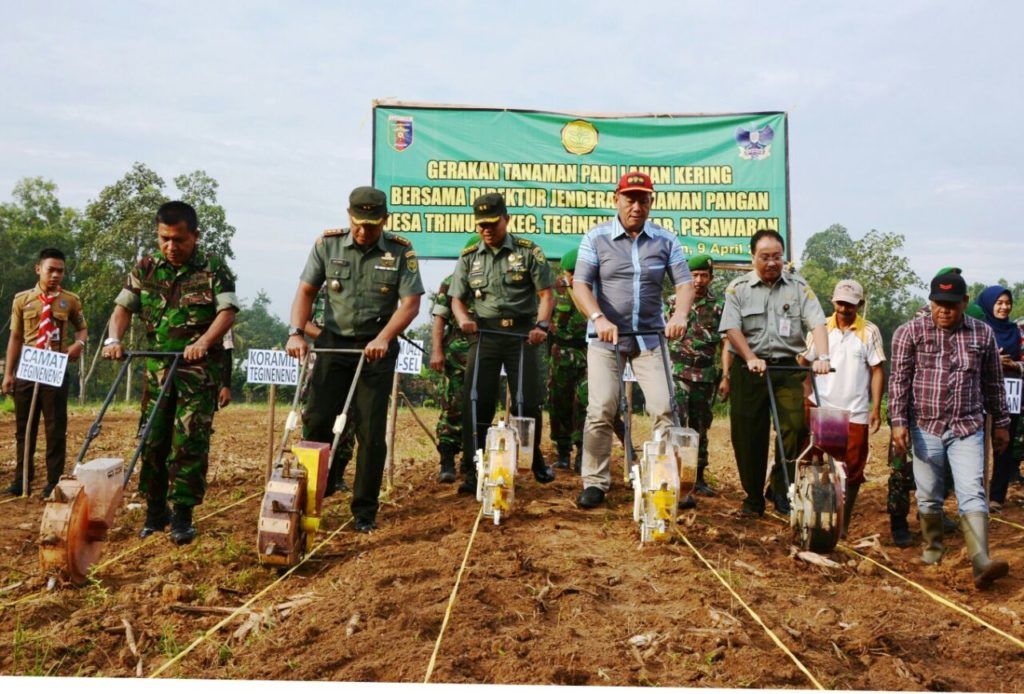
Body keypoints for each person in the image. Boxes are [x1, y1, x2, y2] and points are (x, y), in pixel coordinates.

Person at [286, 186, 423, 533]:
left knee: (371, 432)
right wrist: (295, 332)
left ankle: (364, 510)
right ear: (349, 216)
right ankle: (308, 498)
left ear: (384, 220)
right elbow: (305, 291)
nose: (364, 232)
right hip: (334, 345)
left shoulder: (400, 251)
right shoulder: (327, 245)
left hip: (376, 347)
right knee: (316, 422)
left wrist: (384, 337)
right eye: (359, 224)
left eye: (372, 226)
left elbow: (410, 304)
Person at [103, 202, 238, 544]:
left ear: (195, 235)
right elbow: (123, 308)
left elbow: (227, 313)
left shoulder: (213, 269)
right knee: (153, 440)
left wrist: (204, 342)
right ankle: (154, 512)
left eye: (179, 239)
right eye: (164, 239)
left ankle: (182, 516)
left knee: (189, 442)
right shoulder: (145, 268)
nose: (171, 247)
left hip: (197, 372)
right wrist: (114, 339)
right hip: (157, 372)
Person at [571, 171, 694, 508]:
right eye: (630, 199)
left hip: (650, 339)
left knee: (664, 407)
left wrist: (680, 315)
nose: (636, 206)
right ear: (616, 200)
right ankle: (595, 482)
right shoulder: (595, 238)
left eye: (643, 200)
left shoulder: (666, 241)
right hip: (605, 338)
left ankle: (665, 479)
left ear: (651, 202)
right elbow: (580, 284)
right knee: (602, 407)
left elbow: (684, 284)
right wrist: (599, 318)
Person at [889, 270, 1010, 588]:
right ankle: (933, 549)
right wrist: (898, 423)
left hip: (967, 426)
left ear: (965, 303)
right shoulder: (909, 333)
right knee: (929, 496)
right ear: (930, 302)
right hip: (925, 426)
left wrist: (1001, 423)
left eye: (952, 305)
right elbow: (899, 381)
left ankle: (980, 560)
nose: (945, 310)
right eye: (939, 303)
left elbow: (994, 384)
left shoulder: (982, 335)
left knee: (973, 491)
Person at [449, 193, 555, 494]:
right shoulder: (470, 256)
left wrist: (541, 324)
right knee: (476, 400)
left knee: (528, 401)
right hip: (485, 335)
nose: (487, 229)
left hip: (523, 335)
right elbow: (456, 299)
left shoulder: (528, 252)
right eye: (481, 224)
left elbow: (546, 294)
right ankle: (473, 468)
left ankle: (532, 461)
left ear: (506, 219)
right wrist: (463, 319)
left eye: (492, 223)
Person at [719, 229, 829, 517]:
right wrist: (751, 356)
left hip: (787, 368)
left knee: (794, 429)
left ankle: (781, 490)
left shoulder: (798, 287)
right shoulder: (738, 288)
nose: (771, 263)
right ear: (752, 257)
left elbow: (817, 321)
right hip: (750, 369)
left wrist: (823, 356)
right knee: (748, 435)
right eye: (765, 257)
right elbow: (731, 328)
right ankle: (753, 496)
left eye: (777, 257)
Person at [799, 279, 885, 537]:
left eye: (850, 304)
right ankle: (816, 519)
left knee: (853, 470)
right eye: (840, 303)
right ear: (833, 301)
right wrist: (806, 395)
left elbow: (877, 369)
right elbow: (804, 361)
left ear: (859, 304)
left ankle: (843, 525)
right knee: (816, 464)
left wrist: (876, 407)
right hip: (823, 407)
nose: (844, 309)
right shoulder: (820, 327)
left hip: (855, 411)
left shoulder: (869, 331)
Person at [3, 248, 88, 498]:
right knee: (24, 428)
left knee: (55, 426)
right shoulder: (22, 300)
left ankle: (53, 482)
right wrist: (9, 373)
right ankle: (22, 480)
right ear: (38, 269)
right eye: (51, 269)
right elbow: (16, 338)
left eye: (60, 271)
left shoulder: (70, 300)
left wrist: (78, 345)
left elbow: (82, 329)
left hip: (55, 368)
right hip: (28, 368)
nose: (55, 275)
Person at [888, 267, 963, 547]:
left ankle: (933, 513)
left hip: (937, 418)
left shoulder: (951, 317)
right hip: (906, 415)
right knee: (899, 472)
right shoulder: (920, 320)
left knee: (941, 470)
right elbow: (900, 378)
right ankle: (898, 524)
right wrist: (898, 421)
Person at [666, 254, 724, 509]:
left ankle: (698, 477)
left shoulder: (719, 307)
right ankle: (674, 472)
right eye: (694, 275)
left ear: (710, 278)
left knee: (700, 426)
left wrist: (727, 376)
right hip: (677, 372)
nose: (699, 281)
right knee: (677, 424)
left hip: (705, 376)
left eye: (704, 276)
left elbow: (727, 342)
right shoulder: (672, 303)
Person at [428, 238, 477, 483]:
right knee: (453, 409)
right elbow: (440, 319)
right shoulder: (451, 282)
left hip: (485, 354)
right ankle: (447, 462)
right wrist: (436, 350)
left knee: (481, 410)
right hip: (456, 356)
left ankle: (474, 464)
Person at [975, 286, 1023, 511]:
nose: (1004, 307)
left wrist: (1015, 365)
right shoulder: (979, 330)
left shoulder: (1018, 332)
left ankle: (997, 496)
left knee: (1004, 445)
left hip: (1011, 396)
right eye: (999, 303)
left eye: (1007, 302)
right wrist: (994, 359)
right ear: (988, 304)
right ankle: (976, 494)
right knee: (978, 445)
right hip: (980, 397)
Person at [548, 248, 589, 472]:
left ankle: (583, 450)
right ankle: (563, 452)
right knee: (559, 402)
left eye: (578, 271)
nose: (574, 276)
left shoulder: (594, 285)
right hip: (561, 353)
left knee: (586, 401)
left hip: (588, 352)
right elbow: (544, 315)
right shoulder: (555, 288)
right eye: (570, 272)